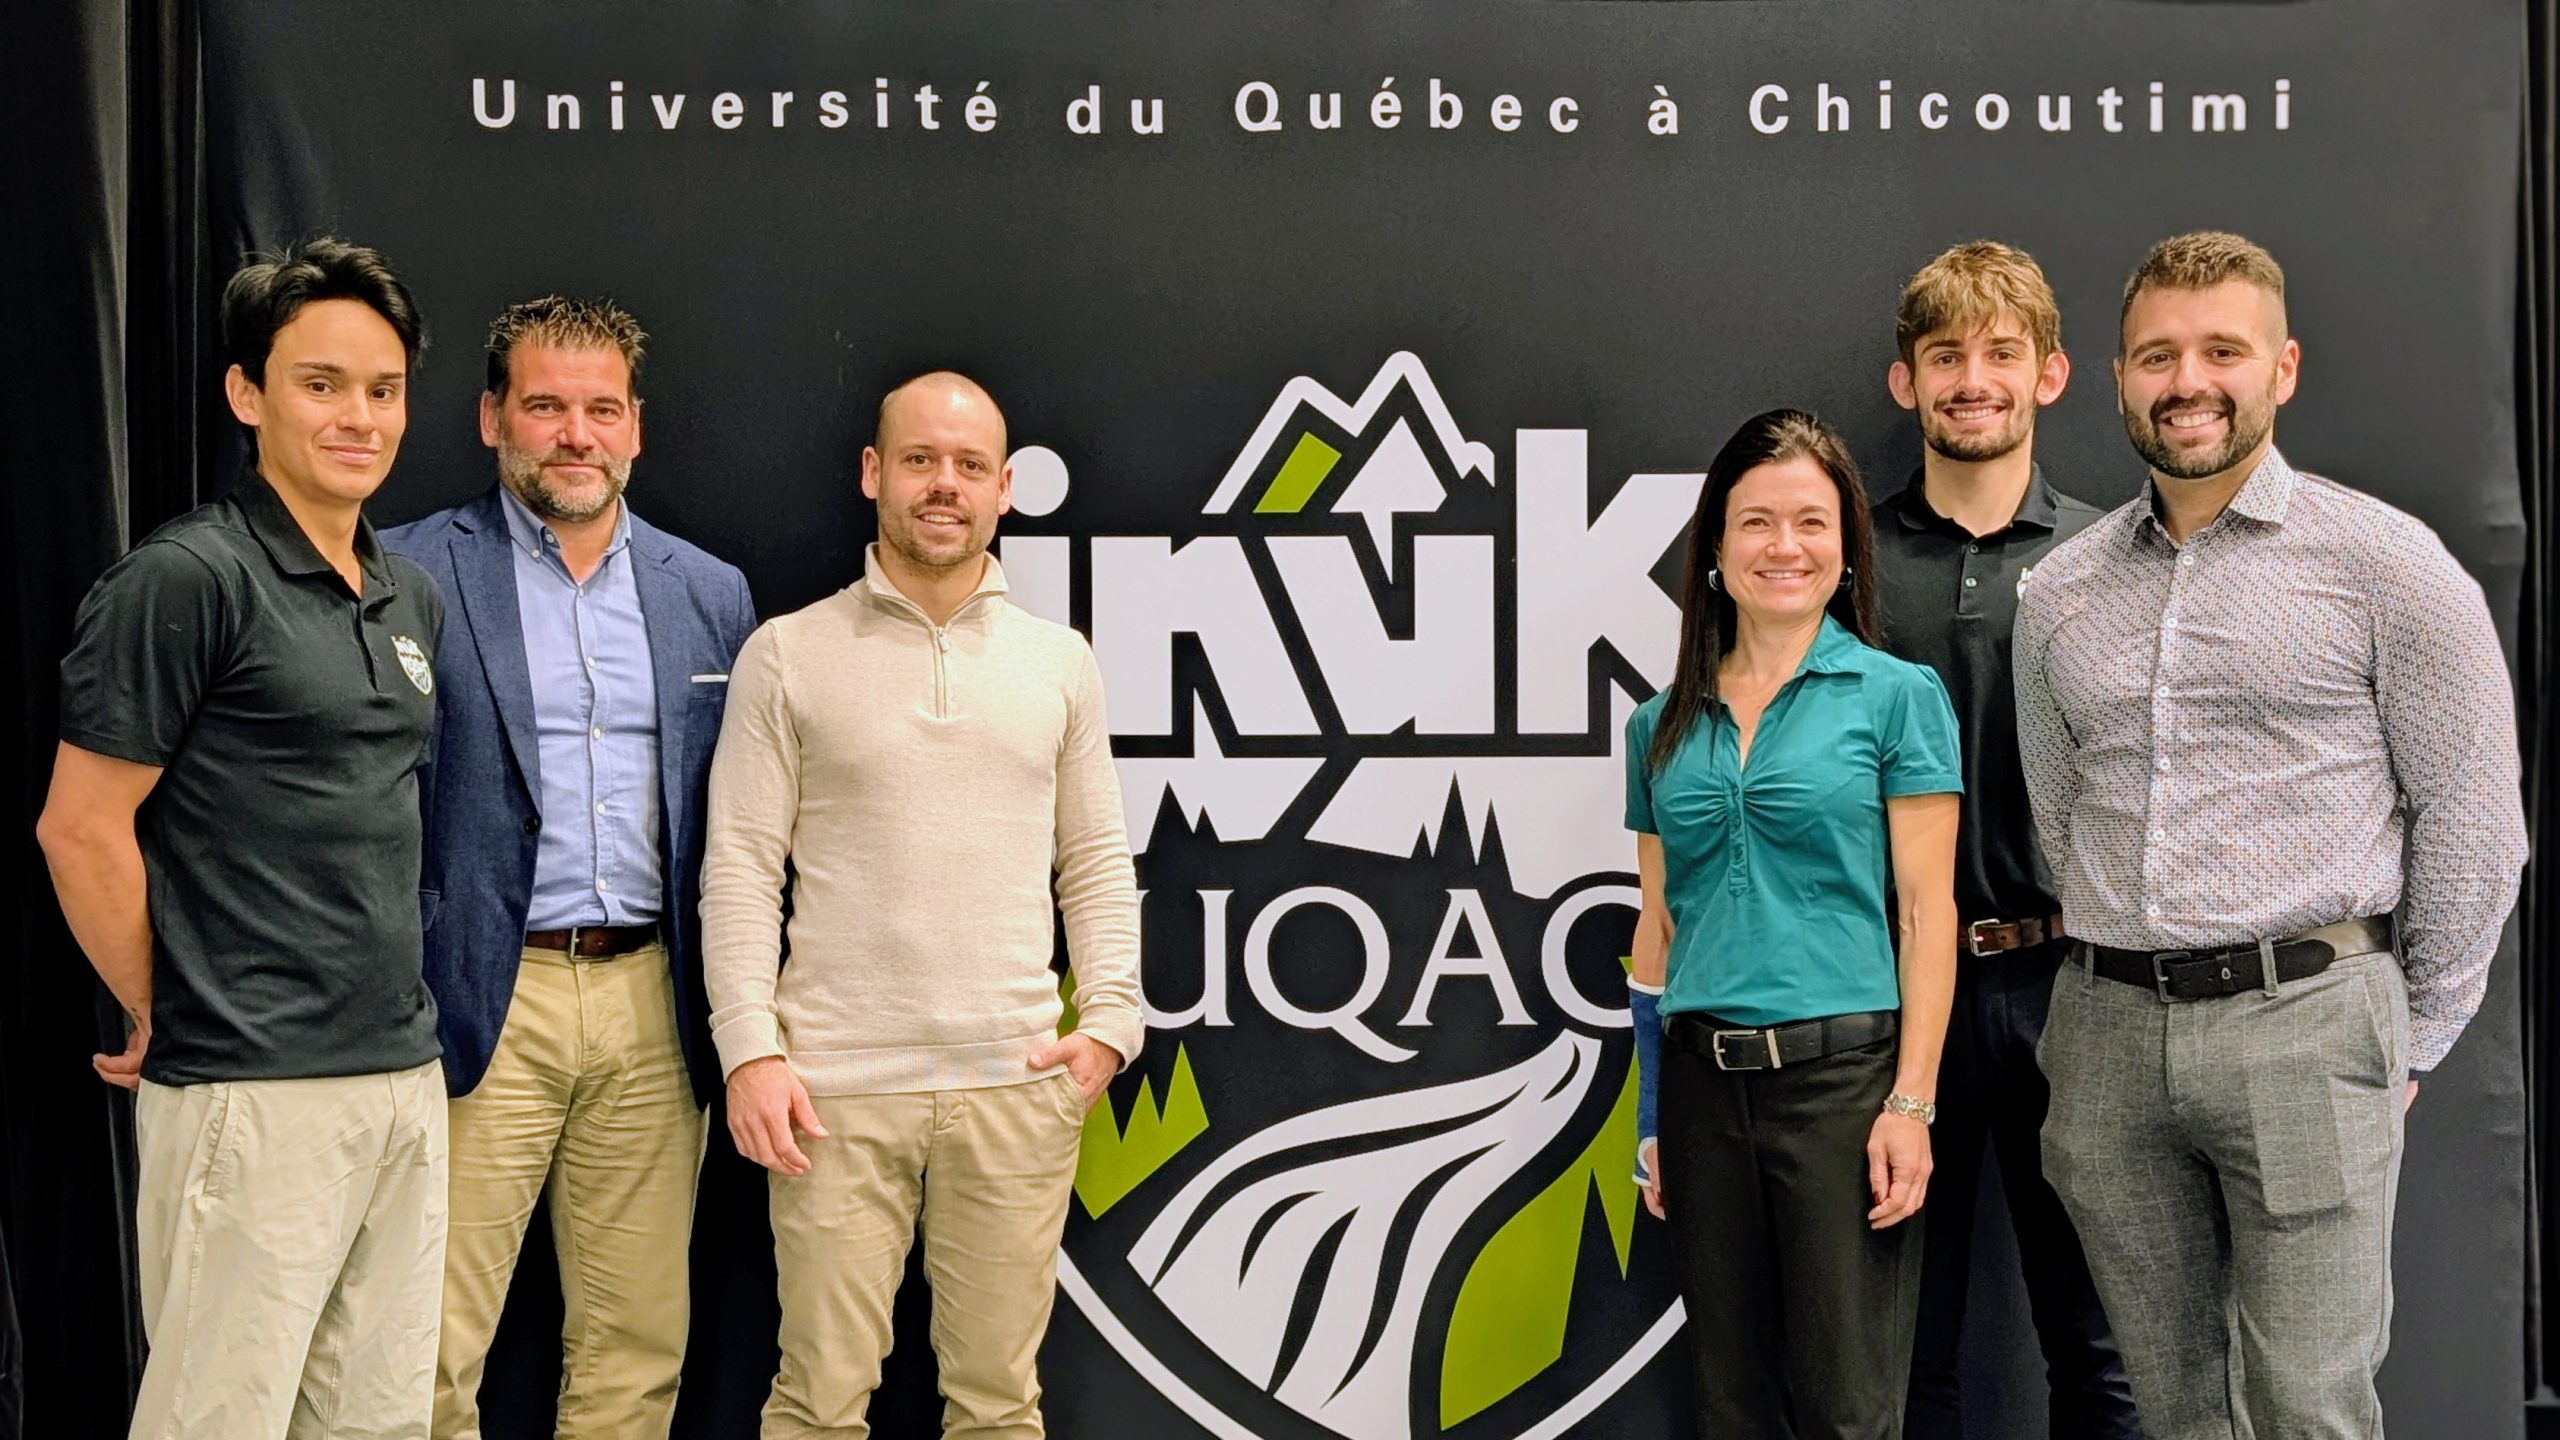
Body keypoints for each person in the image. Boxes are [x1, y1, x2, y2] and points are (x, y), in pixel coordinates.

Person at [2015, 230, 2528, 1439]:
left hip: (2306, 1022)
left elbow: (2473, 819)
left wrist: (2404, 1035)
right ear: (2118, 379)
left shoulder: (2386, 565)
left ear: (2281, 369)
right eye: (2156, 356)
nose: (2186, 380)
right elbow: (2059, 808)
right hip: (2107, 1038)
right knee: (2174, 1409)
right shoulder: (2060, 592)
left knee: (2307, 1408)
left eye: (2221, 351)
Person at [37, 238, 447, 1439]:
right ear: (247, 394)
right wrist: (163, 1006)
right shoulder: (186, 578)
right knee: (218, 1420)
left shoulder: (405, 591)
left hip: (401, 1077)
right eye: (321, 384)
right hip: (250, 1090)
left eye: (383, 389)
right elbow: (79, 827)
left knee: (377, 1422)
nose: (359, 417)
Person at [700, 370, 1145, 1438]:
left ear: (1003, 490)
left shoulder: (1059, 663)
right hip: (832, 1095)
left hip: (1015, 1086)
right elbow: (741, 866)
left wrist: (1112, 1022)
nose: (944, 484)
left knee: (999, 1406)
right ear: (873, 473)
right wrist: (750, 1051)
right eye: (919, 460)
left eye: (969, 465)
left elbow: (1093, 860)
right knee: (817, 1403)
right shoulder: (787, 655)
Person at [382, 296, 757, 1439]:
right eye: (545, 406)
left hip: (653, 1003)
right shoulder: (404, 570)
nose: (575, 435)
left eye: (601, 409)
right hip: (478, 999)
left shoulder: (710, 593)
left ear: (634, 425)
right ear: (492, 417)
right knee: (423, 1349)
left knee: (635, 1352)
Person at [1626, 408, 1961, 1440]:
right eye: (1757, 522)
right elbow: (1655, 928)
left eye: (1811, 522)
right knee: (1731, 1405)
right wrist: (1650, 1117)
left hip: (1841, 1089)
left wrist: (1911, 1103)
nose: (1785, 547)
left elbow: (1927, 913)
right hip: (1699, 1090)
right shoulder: (1657, 722)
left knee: (1847, 1410)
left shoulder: (1897, 697)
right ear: (1716, 549)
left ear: (1846, 548)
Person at [1870, 241, 2141, 1439]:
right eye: (1944, 357)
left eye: (1999, 353)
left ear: (2050, 374)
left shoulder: (2113, 556)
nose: (1971, 380)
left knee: (2101, 1349)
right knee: (1898, 1349)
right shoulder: (1845, 560)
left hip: (2069, 991)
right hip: (1888, 991)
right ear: (1906, 384)